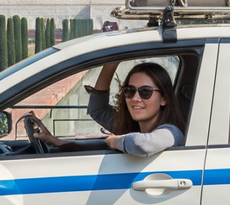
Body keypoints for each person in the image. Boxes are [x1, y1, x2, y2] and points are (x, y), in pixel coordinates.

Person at [29, 61, 187, 156]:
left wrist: (115, 140)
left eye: (145, 92)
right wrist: (54, 141)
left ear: (164, 99)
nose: (135, 98)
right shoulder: (131, 127)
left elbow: (141, 145)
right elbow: (98, 110)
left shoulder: (171, 132)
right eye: (129, 91)